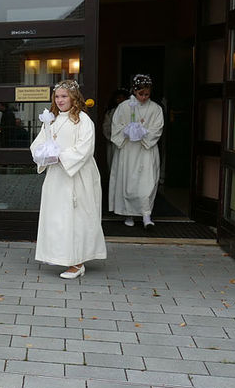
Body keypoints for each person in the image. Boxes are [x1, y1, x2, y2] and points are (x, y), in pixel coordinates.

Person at [30, 79, 107, 279]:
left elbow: (85, 149)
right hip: (57, 175)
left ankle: (78, 262)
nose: (60, 100)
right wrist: (43, 153)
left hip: (77, 175)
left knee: (76, 217)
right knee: (58, 218)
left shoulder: (82, 120)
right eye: (57, 96)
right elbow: (39, 143)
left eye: (64, 96)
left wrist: (60, 155)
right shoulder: (52, 119)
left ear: (74, 97)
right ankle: (59, 254)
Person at [108, 73, 165, 228]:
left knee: (147, 182)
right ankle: (129, 214)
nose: (144, 97)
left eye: (147, 94)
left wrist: (144, 133)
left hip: (145, 150)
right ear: (134, 91)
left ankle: (146, 215)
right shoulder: (124, 107)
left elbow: (157, 128)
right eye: (141, 94)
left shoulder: (156, 109)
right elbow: (116, 126)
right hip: (128, 150)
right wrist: (126, 131)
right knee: (129, 182)